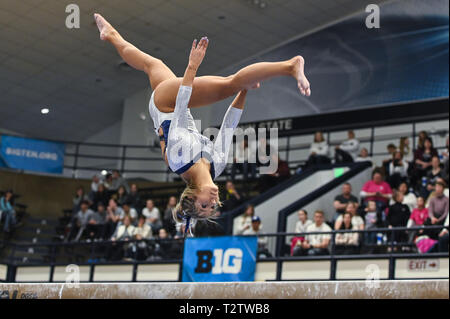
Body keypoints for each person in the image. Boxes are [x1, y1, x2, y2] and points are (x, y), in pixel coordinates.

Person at [93, 13, 311, 235]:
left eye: (204, 205)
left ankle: (290, 66)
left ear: (192, 195)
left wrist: (192, 67)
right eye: (213, 208)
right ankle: (111, 34)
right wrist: (244, 92)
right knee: (152, 64)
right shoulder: (217, 165)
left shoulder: (180, 160)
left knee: (230, 83)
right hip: (173, 106)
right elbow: (228, 127)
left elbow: (180, 108)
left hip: (167, 105)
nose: (214, 202)